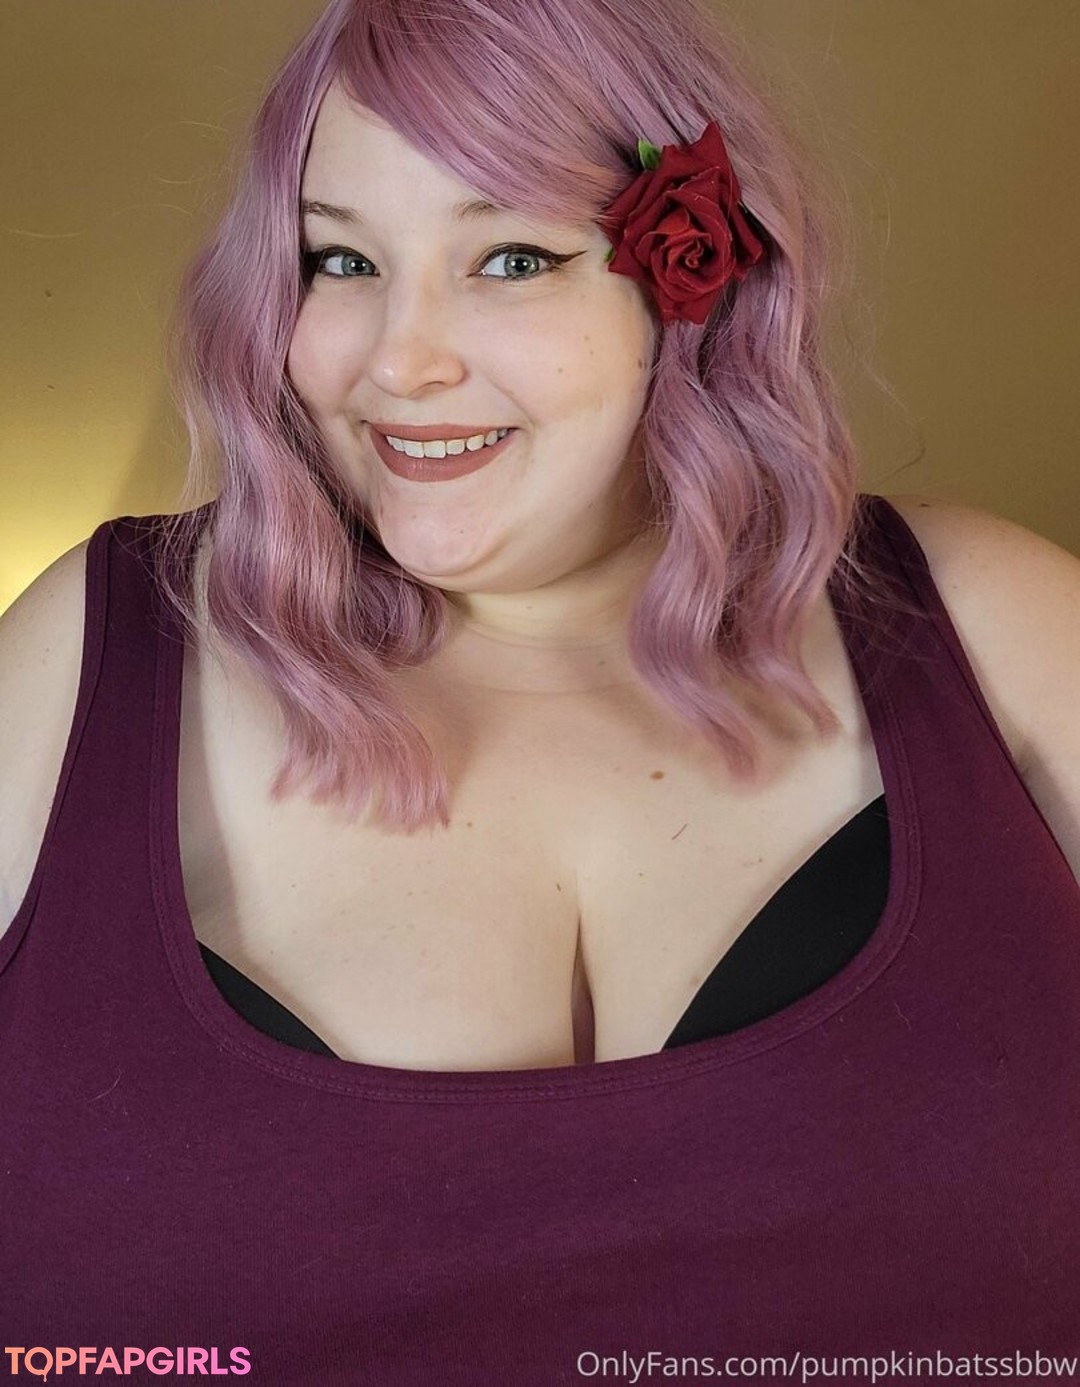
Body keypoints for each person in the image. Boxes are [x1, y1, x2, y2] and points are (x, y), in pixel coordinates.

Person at [2, 0, 1078, 1377]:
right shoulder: (87, 657)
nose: (401, 361)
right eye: (340, 260)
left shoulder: (1002, 628)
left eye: (510, 258)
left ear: (689, 282)